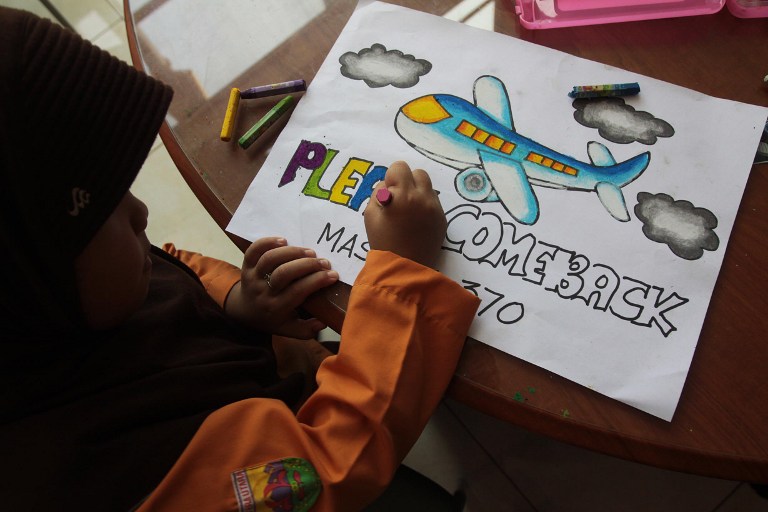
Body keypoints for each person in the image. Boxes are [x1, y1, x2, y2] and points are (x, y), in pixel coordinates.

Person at [0, 7, 480, 512]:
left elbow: (170, 268)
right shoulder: (127, 478)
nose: (141, 213)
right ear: (27, 284)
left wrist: (234, 300)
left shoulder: (54, 298)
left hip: (275, 378)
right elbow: (330, 465)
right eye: (104, 213)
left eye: (124, 189)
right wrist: (405, 271)